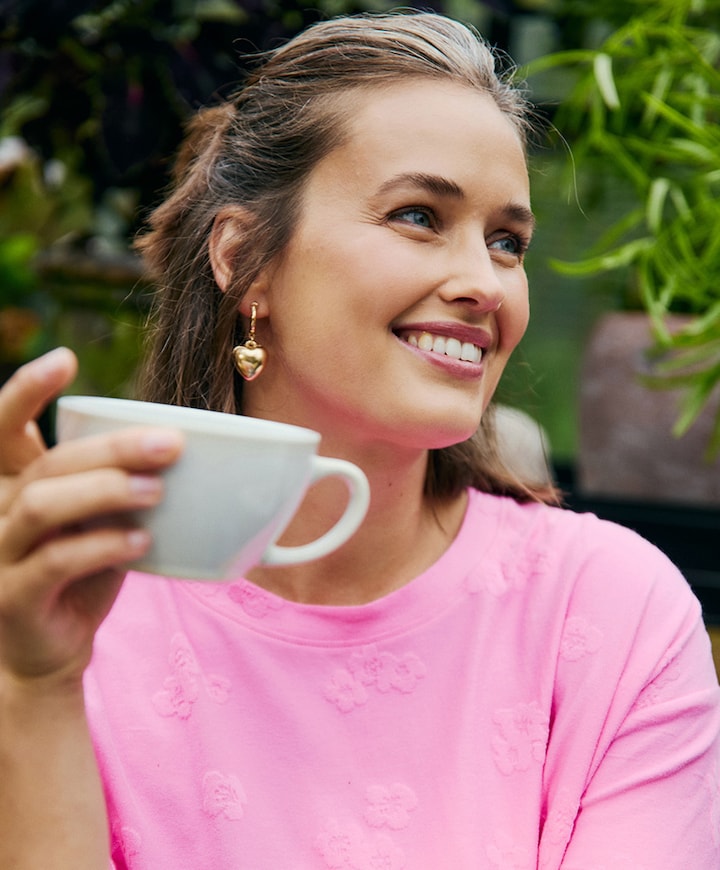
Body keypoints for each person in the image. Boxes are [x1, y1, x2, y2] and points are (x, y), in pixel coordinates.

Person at [0, 12, 718, 869]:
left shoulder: (613, 611)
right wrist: (35, 690)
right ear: (245, 259)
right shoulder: (54, 608)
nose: (483, 283)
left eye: (507, 243)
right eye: (418, 215)